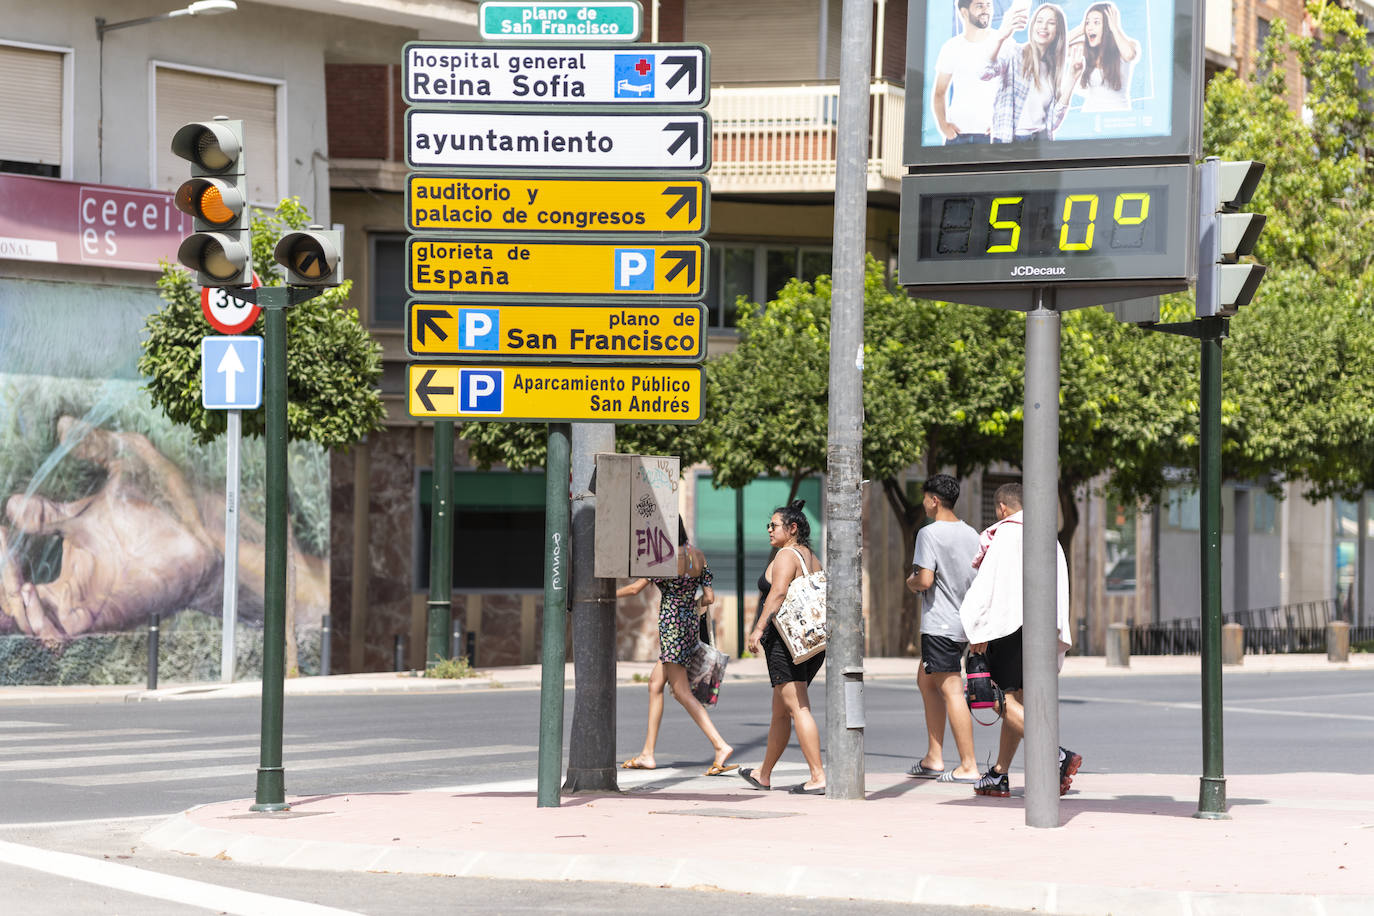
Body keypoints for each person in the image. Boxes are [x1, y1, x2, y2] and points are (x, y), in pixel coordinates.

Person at [958, 483, 1082, 798]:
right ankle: (999, 773)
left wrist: (979, 630)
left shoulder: (1006, 535)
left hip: (1008, 627)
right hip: (1040, 626)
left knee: (992, 695)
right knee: (1019, 699)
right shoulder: (1045, 533)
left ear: (1002, 507)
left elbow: (993, 586)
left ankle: (1054, 753)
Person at [617, 519, 734, 776]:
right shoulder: (697, 555)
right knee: (655, 685)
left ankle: (720, 745)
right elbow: (710, 597)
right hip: (689, 624)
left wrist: (602, 596)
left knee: (681, 691)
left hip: (671, 627)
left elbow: (637, 588)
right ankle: (648, 753)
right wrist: (690, 604)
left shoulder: (664, 557)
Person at [737, 499, 826, 795]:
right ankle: (764, 773)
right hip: (809, 643)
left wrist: (758, 628)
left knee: (798, 706)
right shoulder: (810, 557)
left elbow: (777, 593)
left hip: (786, 642)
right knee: (781, 711)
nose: (769, 530)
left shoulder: (787, 555)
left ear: (792, 528)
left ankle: (817, 775)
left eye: (774, 525)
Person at [904, 474, 982, 784]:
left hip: (940, 622)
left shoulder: (929, 534)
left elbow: (924, 579)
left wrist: (910, 582)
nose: (923, 503)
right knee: (926, 679)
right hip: (963, 622)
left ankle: (968, 764)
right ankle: (933, 757)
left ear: (934, 500)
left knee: (951, 689)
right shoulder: (972, 534)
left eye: (925, 498)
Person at [980, 2, 1072, 142]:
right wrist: (1001, 36)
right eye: (1039, 21)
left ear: (1058, 31)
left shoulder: (1053, 68)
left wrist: (1073, 77)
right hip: (1010, 142)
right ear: (1033, 25)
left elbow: (1053, 123)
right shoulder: (1015, 53)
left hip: (1041, 141)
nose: (1043, 26)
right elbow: (984, 73)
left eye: (1051, 22)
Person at [931, 0, 1001, 144]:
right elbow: (939, 92)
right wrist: (944, 126)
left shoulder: (1001, 42)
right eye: (979, 5)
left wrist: (1004, 125)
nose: (986, 9)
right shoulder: (951, 47)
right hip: (958, 138)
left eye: (989, 5)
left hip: (993, 137)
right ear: (964, 12)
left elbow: (1016, 88)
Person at [1064, 2, 1140, 113]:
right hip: (1089, 114)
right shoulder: (1085, 48)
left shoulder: (1127, 45)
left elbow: (1129, 55)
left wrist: (1115, 28)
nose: (1090, 27)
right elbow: (1053, 49)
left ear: (1108, 25)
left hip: (1118, 118)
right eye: (1088, 23)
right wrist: (1081, 29)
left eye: (1096, 22)